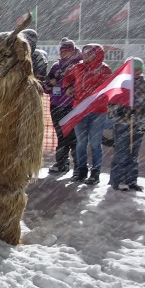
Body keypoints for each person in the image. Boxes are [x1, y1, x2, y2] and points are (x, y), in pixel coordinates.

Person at [62, 44, 113, 184]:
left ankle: (95, 173)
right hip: (79, 110)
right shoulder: (78, 67)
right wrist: (67, 87)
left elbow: (110, 88)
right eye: (84, 53)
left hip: (98, 112)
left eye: (88, 53)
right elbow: (67, 77)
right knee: (81, 143)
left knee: (95, 143)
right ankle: (81, 170)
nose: (84, 56)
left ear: (97, 55)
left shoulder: (105, 70)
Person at [107, 58, 145, 191]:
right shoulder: (120, 83)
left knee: (133, 154)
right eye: (134, 70)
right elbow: (110, 104)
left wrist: (143, 120)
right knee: (121, 152)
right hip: (122, 123)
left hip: (138, 124)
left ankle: (131, 180)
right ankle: (117, 180)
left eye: (139, 70)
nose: (137, 72)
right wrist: (120, 110)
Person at [45, 39, 82, 174]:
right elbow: (46, 86)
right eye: (62, 51)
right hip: (55, 104)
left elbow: (81, 85)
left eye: (67, 51)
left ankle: (78, 166)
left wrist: (67, 87)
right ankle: (62, 163)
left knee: (73, 137)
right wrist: (50, 83)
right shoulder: (56, 66)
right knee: (61, 136)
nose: (64, 54)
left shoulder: (78, 66)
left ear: (73, 51)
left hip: (71, 106)